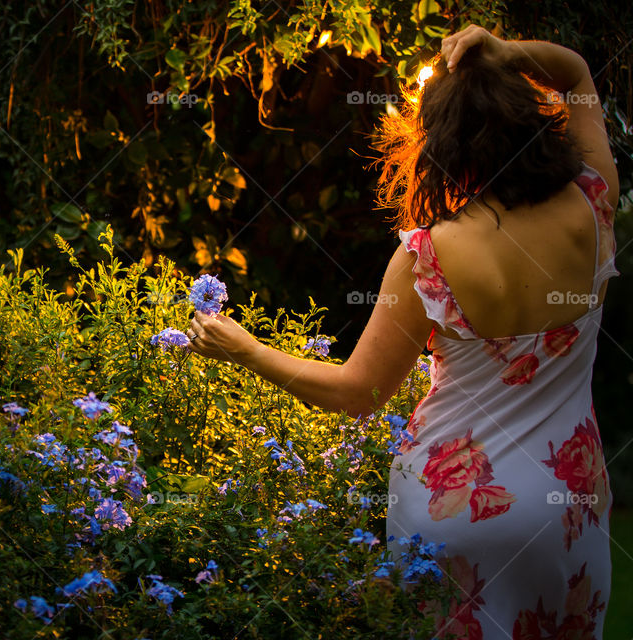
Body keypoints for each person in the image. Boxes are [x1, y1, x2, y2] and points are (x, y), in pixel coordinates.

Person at [184, 25, 618, 640]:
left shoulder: (430, 255)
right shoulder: (593, 204)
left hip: (458, 512)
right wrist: (499, 52)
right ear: (531, 121)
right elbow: (574, 70)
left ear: (442, 144)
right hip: (567, 505)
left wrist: (246, 348)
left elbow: (356, 394)